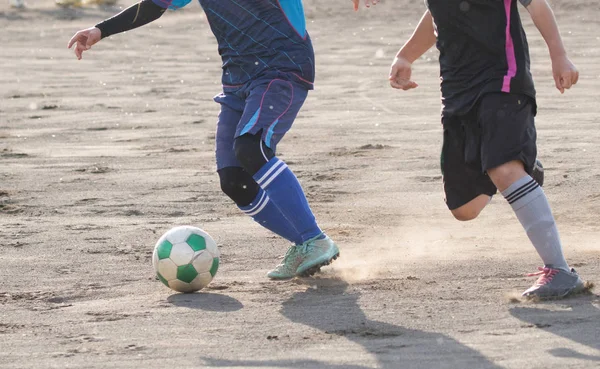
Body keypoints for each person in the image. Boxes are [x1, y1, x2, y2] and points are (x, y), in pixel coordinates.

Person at [68, 0, 378, 279]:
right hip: (237, 77)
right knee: (233, 180)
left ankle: (314, 238)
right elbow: (154, 5)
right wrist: (100, 30)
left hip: (282, 65)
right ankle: (305, 244)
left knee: (251, 147)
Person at [389, 0, 585, 299]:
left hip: (503, 79)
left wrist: (559, 56)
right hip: (456, 91)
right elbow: (438, 12)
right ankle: (524, 171)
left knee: (503, 168)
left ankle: (559, 270)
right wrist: (406, 55)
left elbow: (537, 6)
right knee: (464, 209)